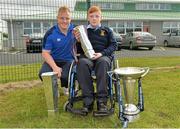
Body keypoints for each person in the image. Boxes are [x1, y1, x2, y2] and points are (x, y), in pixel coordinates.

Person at [75, 6, 117, 114]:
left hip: (102, 56)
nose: (94, 18)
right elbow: (79, 50)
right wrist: (78, 42)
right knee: (82, 63)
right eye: (91, 16)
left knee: (103, 63)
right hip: (87, 57)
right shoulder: (83, 31)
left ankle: (101, 101)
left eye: (97, 16)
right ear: (88, 18)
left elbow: (113, 45)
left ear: (101, 18)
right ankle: (88, 101)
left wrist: (102, 53)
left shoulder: (107, 31)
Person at [39, 6, 76, 95]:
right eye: (62, 18)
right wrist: (55, 67)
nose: (64, 21)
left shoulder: (75, 31)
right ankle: (54, 87)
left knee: (67, 76)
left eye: (67, 18)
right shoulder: (50, 33)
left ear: (70, 19)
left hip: (68, 60)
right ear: (57, 19)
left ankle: (65, 86)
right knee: (43, 74)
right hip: (53, 60)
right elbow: (45, 53)